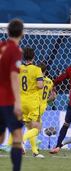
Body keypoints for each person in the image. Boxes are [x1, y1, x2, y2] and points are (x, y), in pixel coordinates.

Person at [0, 18, 24, 171]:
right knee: (17, 136)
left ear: (8, 32)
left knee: (1, 136)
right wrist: (18, 102)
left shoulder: (1, 46)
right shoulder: (15, 50)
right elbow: (14, 77)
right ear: (22, 33)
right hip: (8, 100)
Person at [13, 47, 44, 158]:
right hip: (32, 102)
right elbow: (40, 85)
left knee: (29, 127)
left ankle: (35, 151)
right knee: (37, 128)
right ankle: (21, 140)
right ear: (33, 57)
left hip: (21, 101)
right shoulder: (37, 69)